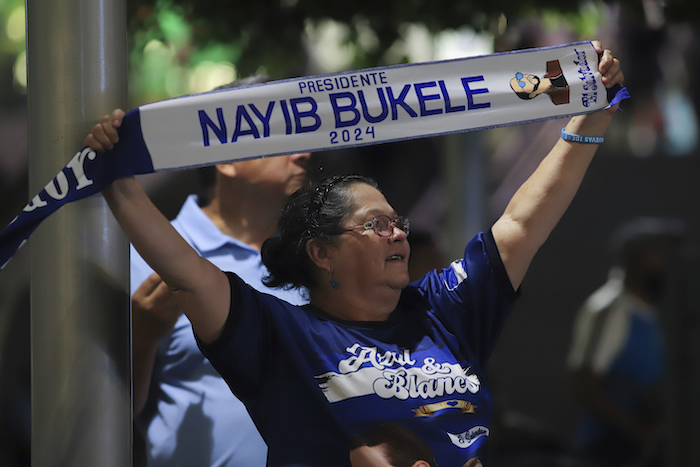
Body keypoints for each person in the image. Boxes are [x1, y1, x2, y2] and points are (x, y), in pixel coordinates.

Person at [86, 41, 623, 466]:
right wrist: (118, 180)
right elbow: (189, 273)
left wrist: (589, 122)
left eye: (399, 223)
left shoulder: (446, 309)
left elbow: (522, 223)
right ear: (322, 253)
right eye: (376, 225)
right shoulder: (283, 338)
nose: (399, 235)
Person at [129, 76, 312, 467]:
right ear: (226, 159)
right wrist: (140, 339)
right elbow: (103, 412)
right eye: (286, 134)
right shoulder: (145, 257)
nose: (305, 152)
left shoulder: (315, 258)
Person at [567, 217, 685, 466]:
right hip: (612, 450)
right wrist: (639, 432)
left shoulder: (651, 312)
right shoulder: (609, 309)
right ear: (636, 260)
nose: (666, 263)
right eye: (659, 254)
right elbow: (583, 383)